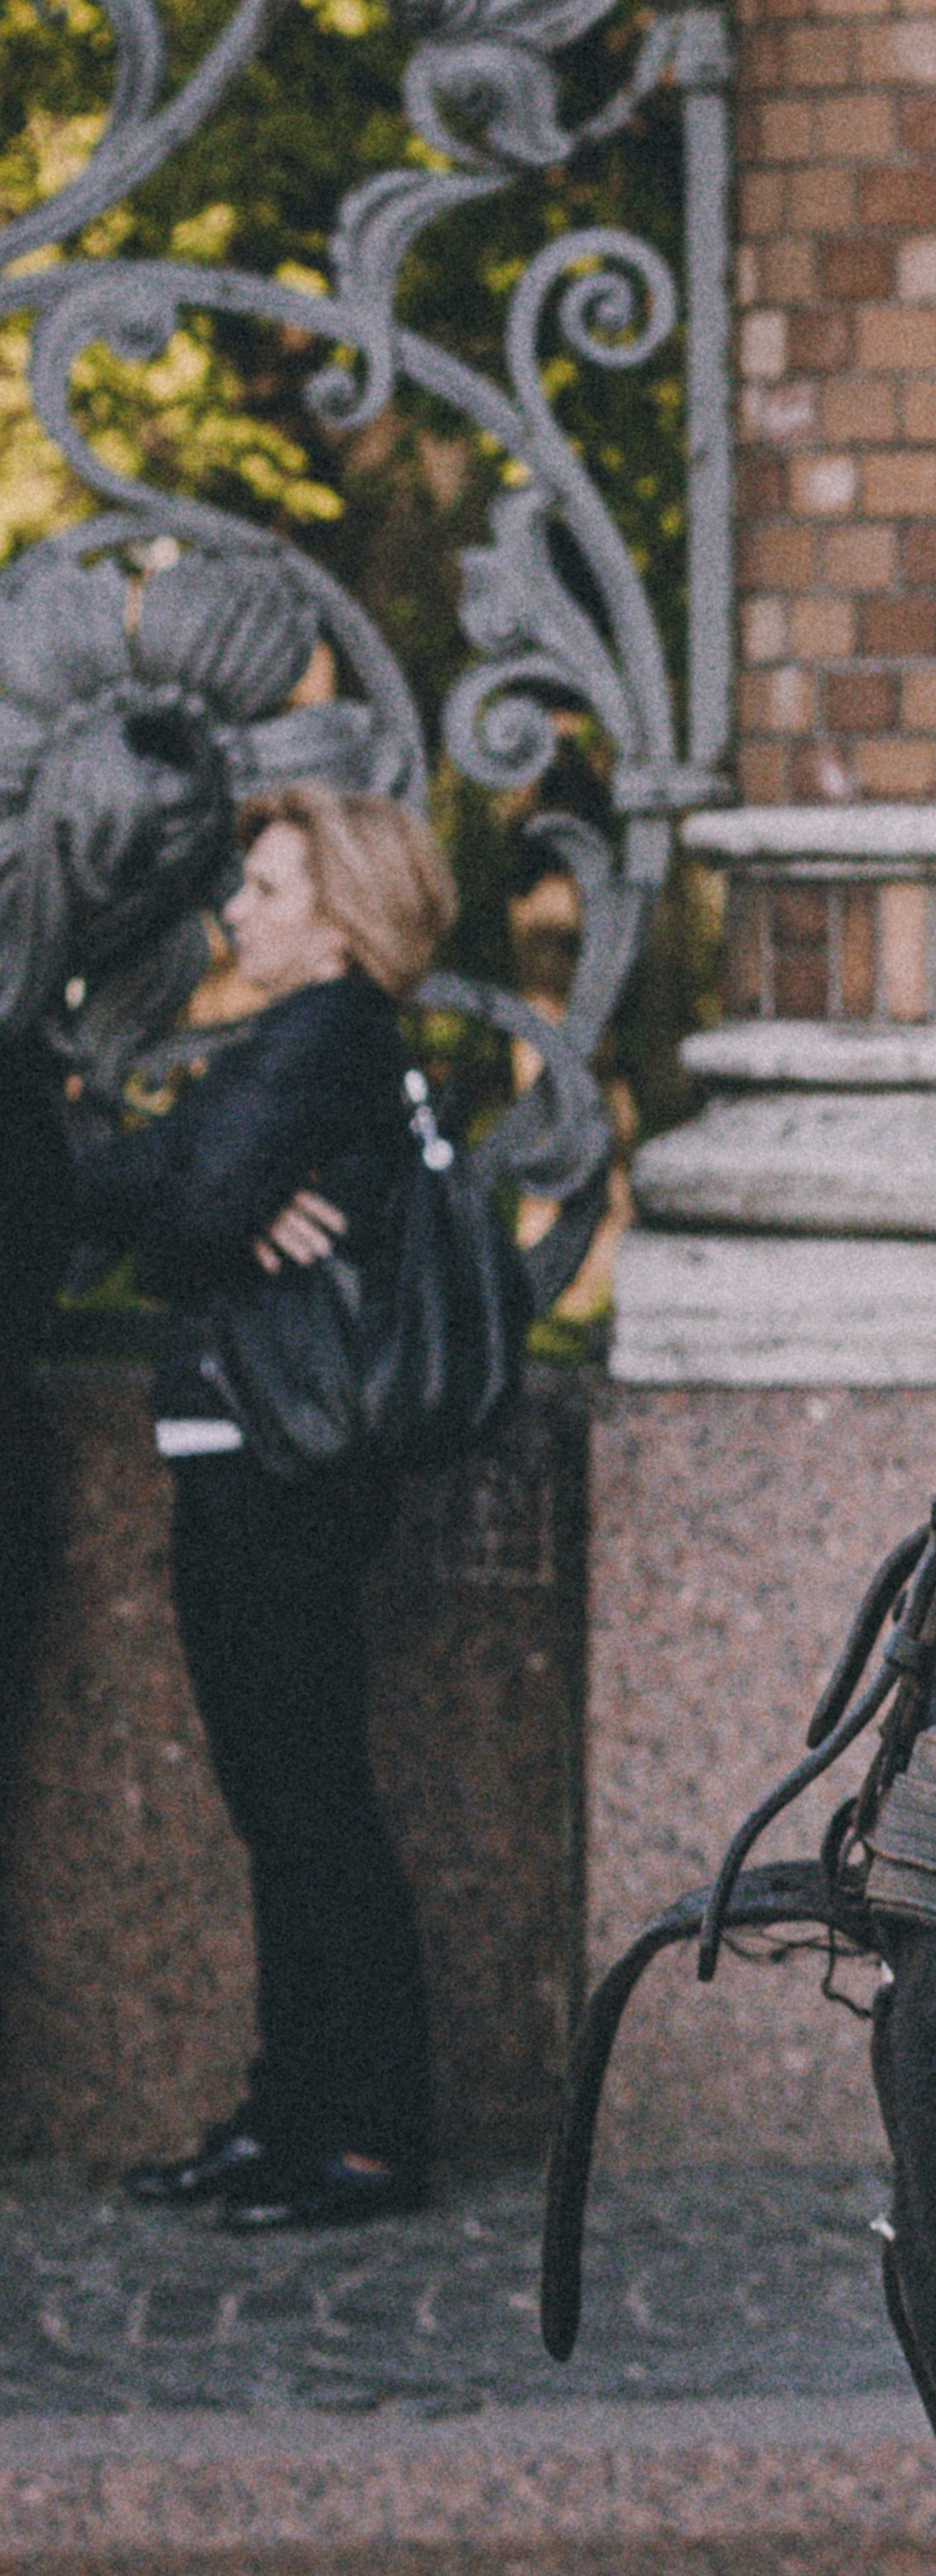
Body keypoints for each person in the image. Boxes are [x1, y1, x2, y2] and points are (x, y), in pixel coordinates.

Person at [97, 784, 453, 2229]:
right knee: (286, 1804)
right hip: (259, 1457)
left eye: (265, 886)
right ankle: (290, 2113)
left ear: (343, 908)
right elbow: (168, 1189)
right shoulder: (300, 1043)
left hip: (279, 1469)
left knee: (306, 1806)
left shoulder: (325, 1034)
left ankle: (360, 2134)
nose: (235, 910)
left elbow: (169, 1213)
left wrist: (201, 1200)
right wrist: (200, 1189)